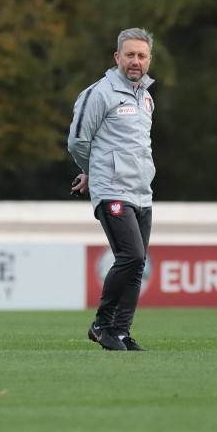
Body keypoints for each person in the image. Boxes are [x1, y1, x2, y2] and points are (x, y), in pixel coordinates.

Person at [68, 27, 156, 351]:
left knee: (137, 262)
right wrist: (92, 172)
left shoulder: (146, 97)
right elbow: (78, 141)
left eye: (141, 55)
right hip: (112, 190)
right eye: (129, 54)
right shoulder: (99, 93)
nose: (135, 61)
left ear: (149, 60)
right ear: (117, 57)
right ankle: (101, 324)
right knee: (130, 255)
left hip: (142, 190)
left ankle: (120, 331)